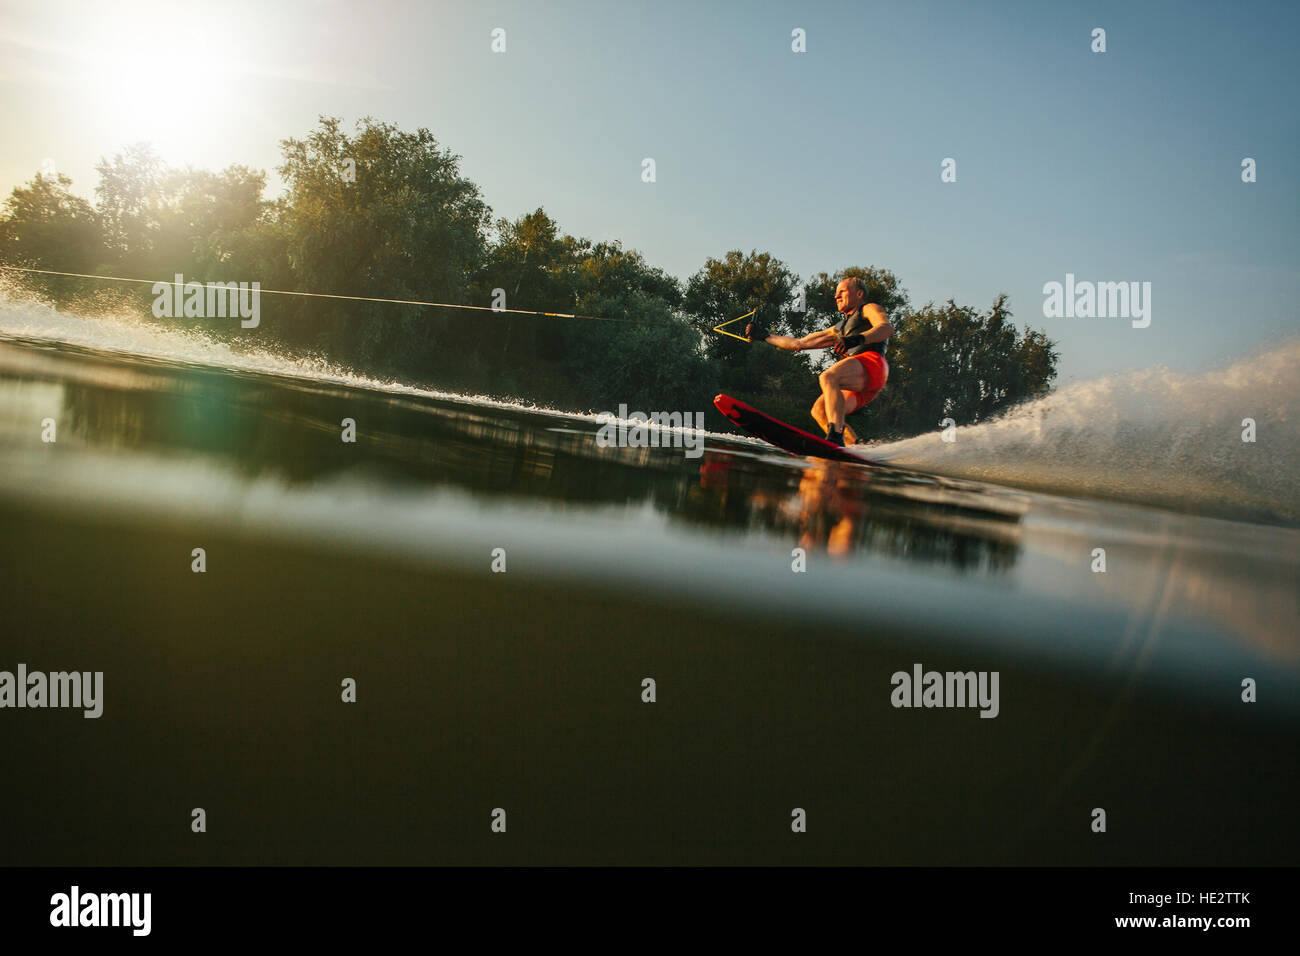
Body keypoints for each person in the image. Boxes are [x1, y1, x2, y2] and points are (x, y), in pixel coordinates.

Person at [745, 277, 893, 446]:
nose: (837, 296)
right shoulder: (838, 329)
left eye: (842, 292)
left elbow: (886, 328)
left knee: (828, 377)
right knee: (819, 410)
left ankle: (835, 436)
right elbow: (799, 343)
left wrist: (856, 340)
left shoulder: (869, 308)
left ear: (859, 294)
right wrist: (764, 336)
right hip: (860, 381)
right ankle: (855, 447)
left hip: (873, 364)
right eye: (836, 294)